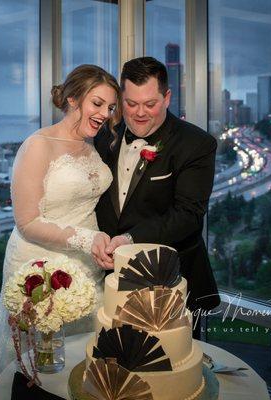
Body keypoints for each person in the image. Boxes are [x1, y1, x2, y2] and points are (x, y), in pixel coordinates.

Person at [0, 64, 121, 399]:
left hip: (88, 267)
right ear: (73, 98)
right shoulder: (38, 145)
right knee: (37, 368)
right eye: (97, 103)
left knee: (81, 365)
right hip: (39, 264)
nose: (105, 114)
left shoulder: (91, 146)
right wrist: (88, 240)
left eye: (111, 107)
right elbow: (27, 221)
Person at [94, 57, 220, 338]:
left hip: (171, 279)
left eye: (150, 104)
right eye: (130, 103)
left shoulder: (197, 144)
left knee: (174, 370)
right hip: (109, 280)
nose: (139, 113)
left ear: (167, 98)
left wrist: (128, 240)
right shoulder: (105, 137)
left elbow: (188, 215)